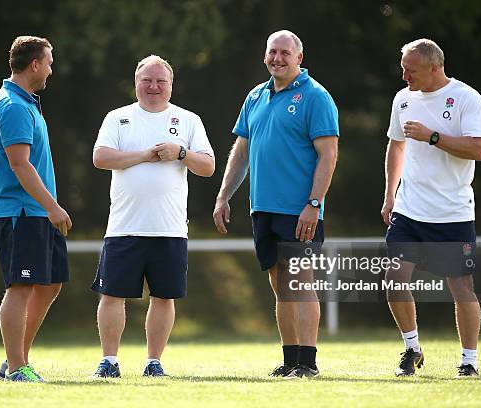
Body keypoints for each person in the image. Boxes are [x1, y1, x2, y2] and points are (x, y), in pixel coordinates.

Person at [213, 30, 339, 379]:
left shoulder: (316, 97)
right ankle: (290, 359)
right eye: (272, 52)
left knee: (300, 282)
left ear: (299, 57)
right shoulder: (255, 95)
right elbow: (241, 152)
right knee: (280, 285)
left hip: (300, 209)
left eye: (285, 53)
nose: (277, 58)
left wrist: (314, 203)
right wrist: (224, 195)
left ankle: (308, 363)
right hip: (262, 209)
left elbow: (328, 156)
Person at [91, 55, 215, 378]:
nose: (154, 87)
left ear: (171, 85)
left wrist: (180, 153)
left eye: (161, 81)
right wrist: (145, 155)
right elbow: (100, 157)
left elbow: (208, 166)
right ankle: (109, 361)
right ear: (136, 83)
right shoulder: (118, 119)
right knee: (112, 295)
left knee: (163, 297)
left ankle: (154, 362)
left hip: (169, 228)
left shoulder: (188, 120)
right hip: (123, 226)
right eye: (147, 80)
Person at [381, 38, 481, 377]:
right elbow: (396, 147)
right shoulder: (402, 99)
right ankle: (412, 349)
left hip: (453, 213)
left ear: (434, 68)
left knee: (461, 288)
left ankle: (469, 362)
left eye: (410, 70)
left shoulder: (467, 98)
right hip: (409, 210)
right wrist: (389, 194)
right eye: (403, 69)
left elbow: (478, 149)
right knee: (393, 278)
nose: (404, 77)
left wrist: (433, 136)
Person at [0, 36, 72, 382]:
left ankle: (15, 360)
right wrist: (53, 207)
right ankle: (17, 367)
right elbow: (20, 165)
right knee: (19, 287)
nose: (51, 69)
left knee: (49, 285)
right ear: (34, 64)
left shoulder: (26, 103)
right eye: (49, 62)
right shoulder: (14, 107)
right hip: (22, 211)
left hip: (35, 212)